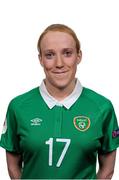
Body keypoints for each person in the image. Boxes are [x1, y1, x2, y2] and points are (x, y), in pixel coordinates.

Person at [0, 24, 119, 179]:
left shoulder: (102, 107)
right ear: (40, 59)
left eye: (67, 53)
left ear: (79, 56)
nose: (59, 63)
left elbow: (107, 169)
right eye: (49, 55)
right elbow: (12, 165)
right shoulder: (18, 107)